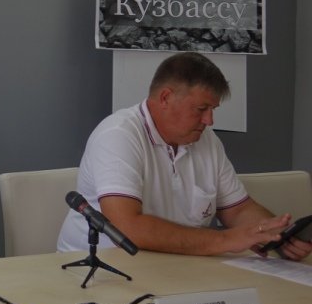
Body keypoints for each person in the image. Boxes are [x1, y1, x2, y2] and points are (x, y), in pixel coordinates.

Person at [57, 52, 312, 260]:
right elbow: (127, 227)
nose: (209, 120)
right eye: (201, 109)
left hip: (176, 266)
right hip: (99, 269)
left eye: (212, 109)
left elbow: (237, 210)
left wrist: (274, 234)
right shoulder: (118, 134)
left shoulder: (207, 140)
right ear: (165, 98)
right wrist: (226, 239)